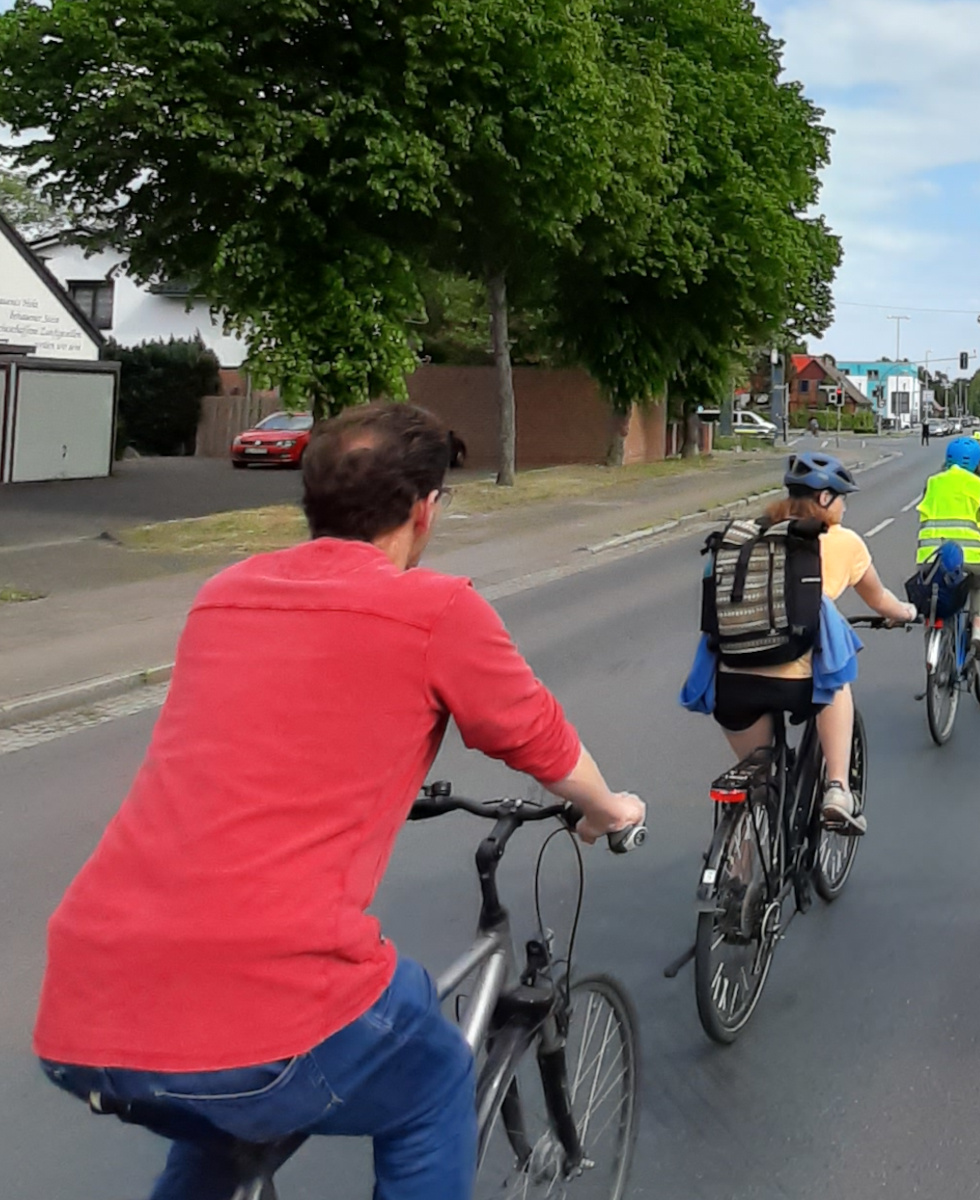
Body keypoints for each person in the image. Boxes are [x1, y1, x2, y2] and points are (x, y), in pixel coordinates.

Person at [32, 402, 648, 1200]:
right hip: (267, 998)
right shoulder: (435, 610)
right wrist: (609, 811)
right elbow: (546, 746)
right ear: (424, 510)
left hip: (86, 1004)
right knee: (430, 1080)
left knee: (247, 1109)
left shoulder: (225, 593)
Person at [710, 451, 915, 836]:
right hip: (796, 682)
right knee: (835, 681)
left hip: (732, 681)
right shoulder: (842, 541)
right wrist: (906, 612)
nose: (844, 506)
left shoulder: (742, 538)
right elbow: (879, 599)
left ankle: (737, 875)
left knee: (759, 779)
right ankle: (837, 789)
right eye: (841, 497)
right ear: (823, 499)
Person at [916, 434, 980, 658]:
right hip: (970, 558)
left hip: (931, 557)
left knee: (933, 597)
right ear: (976, 463)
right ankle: (978, 628)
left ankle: (932, 656)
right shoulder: (978, 485)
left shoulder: (932, 482)